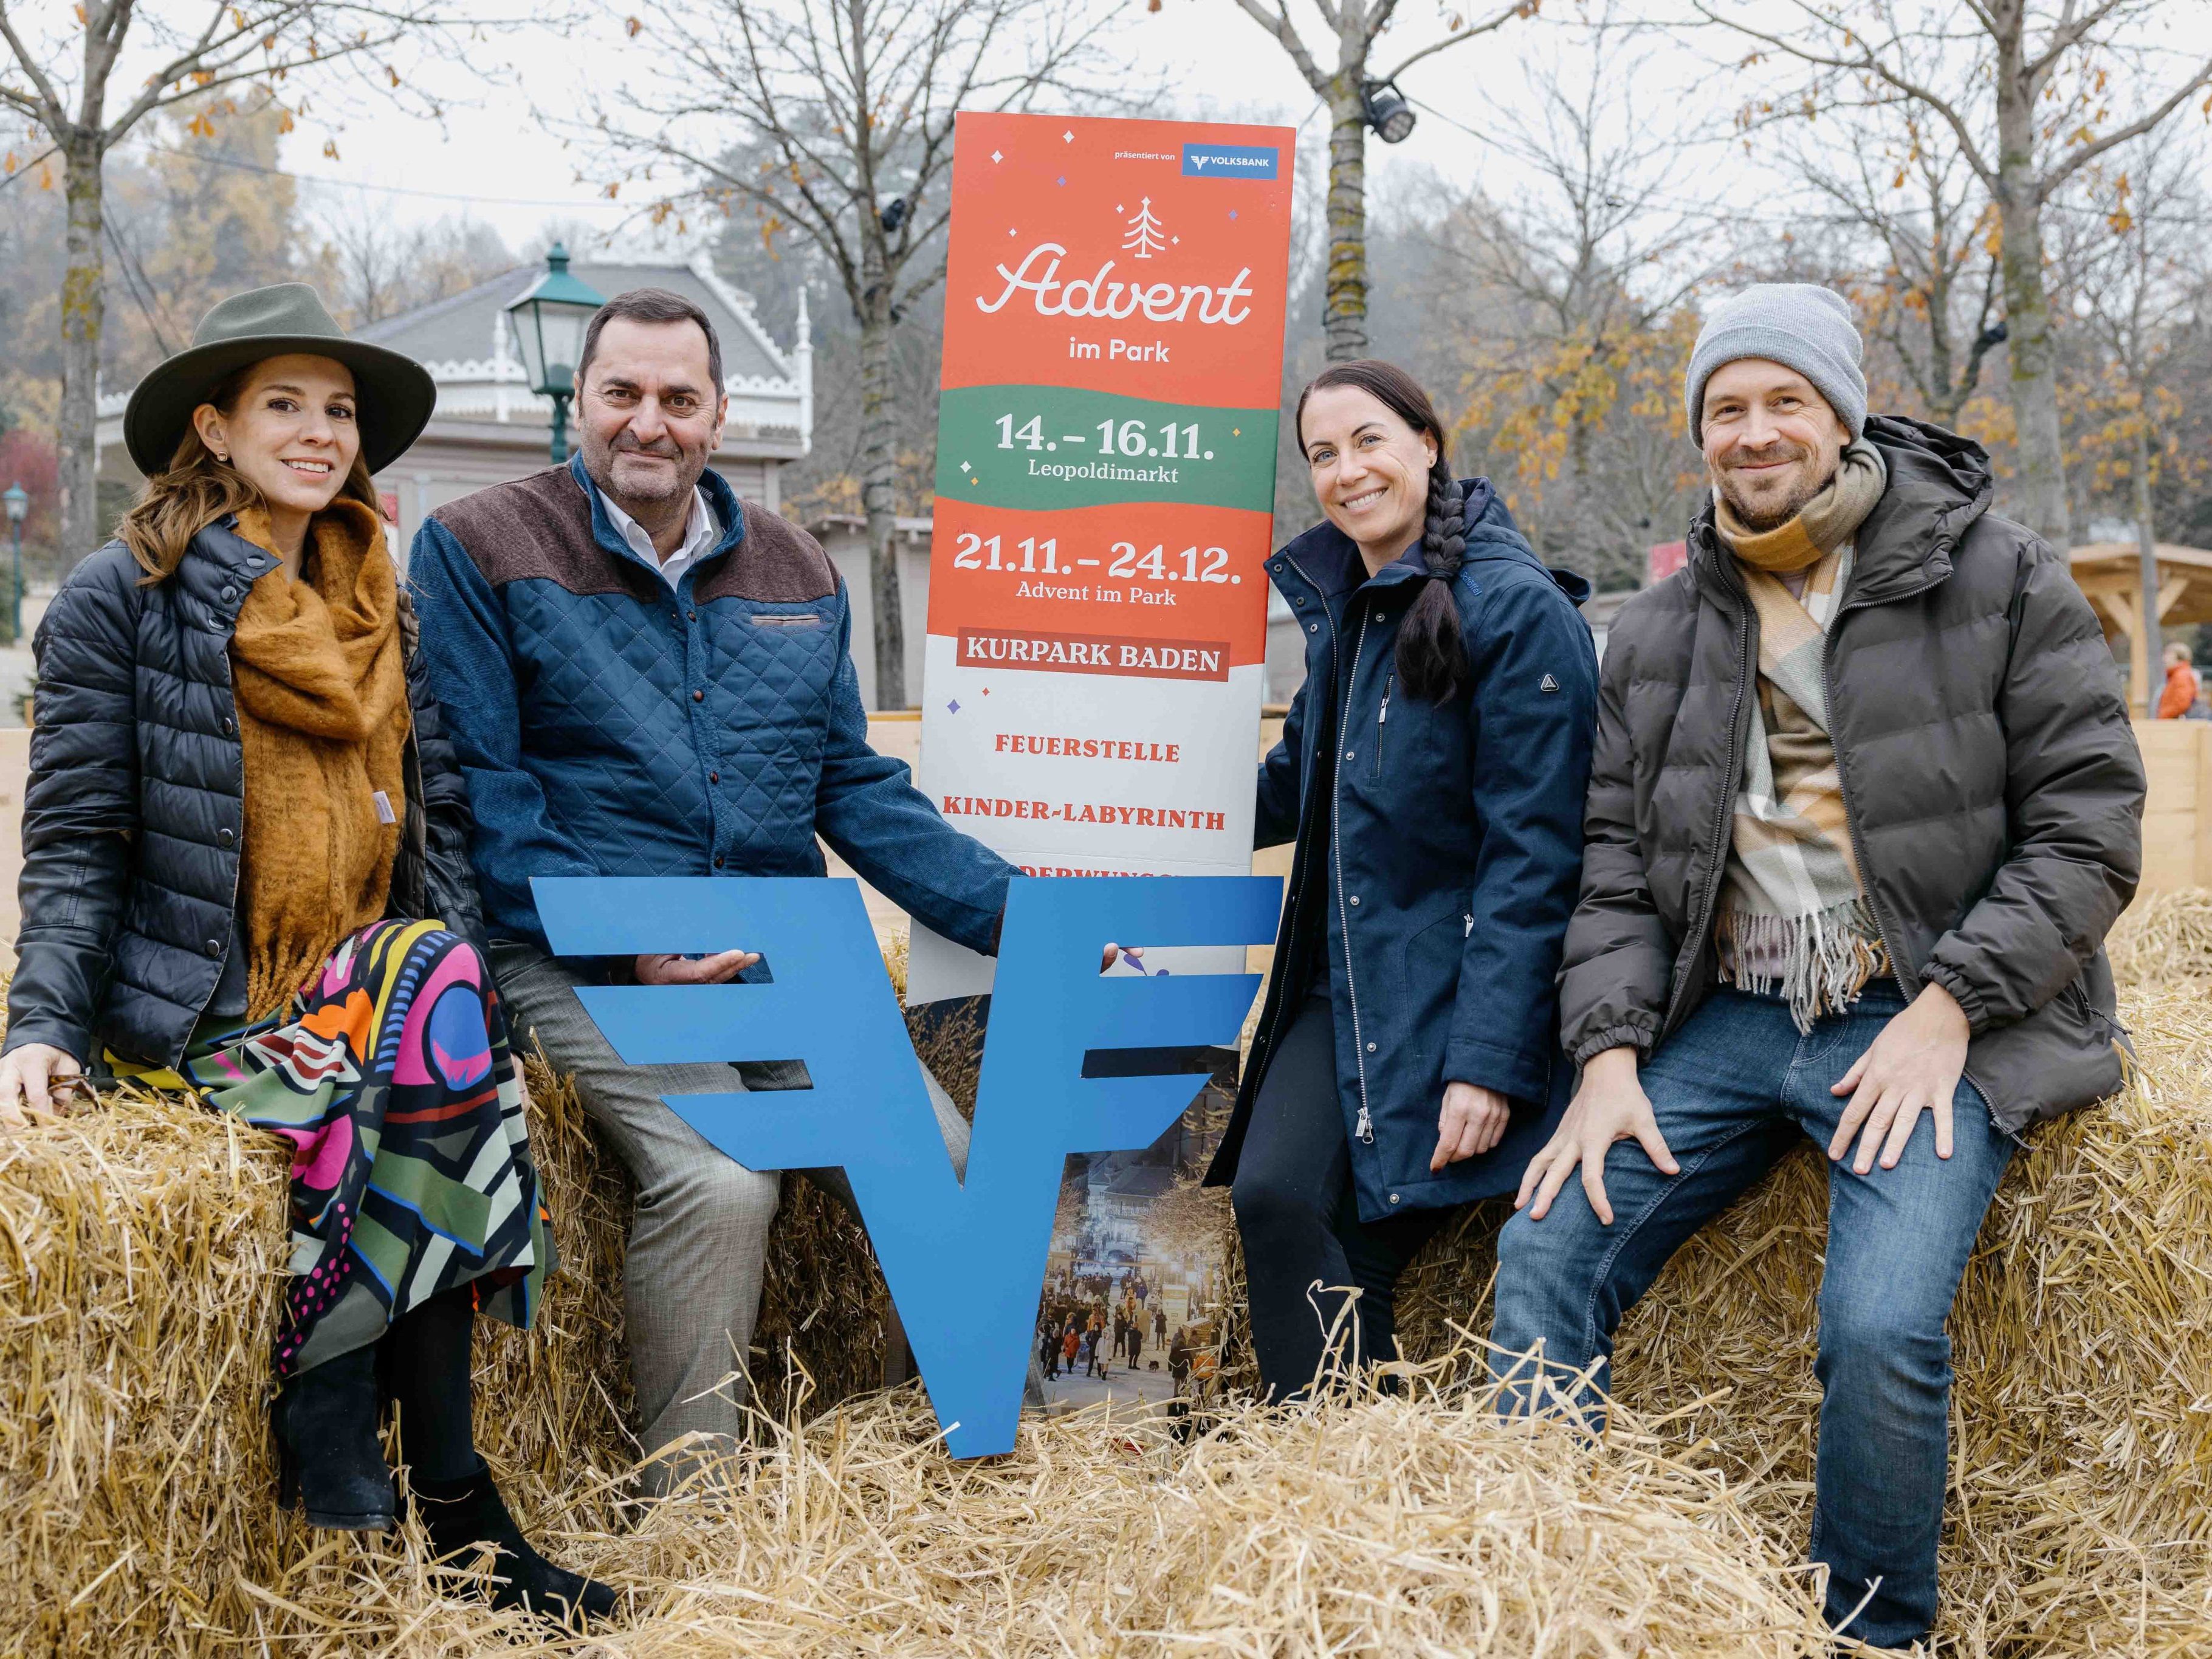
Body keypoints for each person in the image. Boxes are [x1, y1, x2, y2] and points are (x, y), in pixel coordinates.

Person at [1491, 283, 2144, 1650]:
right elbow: (1610, 863)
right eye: (1723, 408)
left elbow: (2087, 830)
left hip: (1923, 1010)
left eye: (1782, 398)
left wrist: (1949, 1008)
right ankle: (1539, 1589)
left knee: (1875, 1330)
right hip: (1731, 1014)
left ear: (1841, 415)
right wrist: (1608, 1059)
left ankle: (1870, 1630)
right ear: (1697, 437)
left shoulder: (1995, 573)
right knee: (1545, 1246)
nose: (1752, 431)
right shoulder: (1661, 628)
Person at [0, 286, 614, 1624]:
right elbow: (77, 837)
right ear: (212, 429)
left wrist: (483, 1007)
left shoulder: (383, 603)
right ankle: (449, 1492)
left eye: (338, 411)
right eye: (284, 404)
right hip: (206, 1022)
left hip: (371, 1005)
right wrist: (39, 1023)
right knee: (426, 1009)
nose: (320, 431)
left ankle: (355, 1407)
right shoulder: (125, 599)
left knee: (432, 987)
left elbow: (436, 830)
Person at [408, 289, 1030, 1486]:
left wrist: (1027, 921)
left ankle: (944, 1469)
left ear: (719, 416)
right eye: (622, 396)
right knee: (718, 1182)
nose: (649, 423)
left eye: (678, 399)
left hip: (780, 948)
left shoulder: (794, 564)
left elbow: (852, 786)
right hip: (578, 950)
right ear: (579, 405)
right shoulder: (482, 544)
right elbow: (487, 794)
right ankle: (692, 1508)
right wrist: (627, 943)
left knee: (944, 1152)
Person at [1203, 360, 1598, 1403]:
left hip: (1453, 990)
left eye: (1368, 440)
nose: (1347, 471)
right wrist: (1132, 809)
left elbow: (1538, 857)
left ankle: (1351, 1474)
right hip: (1341, 984)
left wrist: (1489, 1061)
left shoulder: (1517, 613)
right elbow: (1293, 792)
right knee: (1276, 1197)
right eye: (1323, 456)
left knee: (1336, 1234)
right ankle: (1343, 1476)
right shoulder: (1348, 616)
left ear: (1429, 441)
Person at [2158, 641, 2199, 718]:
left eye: (2168, 655)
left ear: (2178, 657)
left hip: (2175, 724)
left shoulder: (2182, 676)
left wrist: (2163, 715)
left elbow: (2182, 703)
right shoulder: (2176, 675)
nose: (2164, 659)